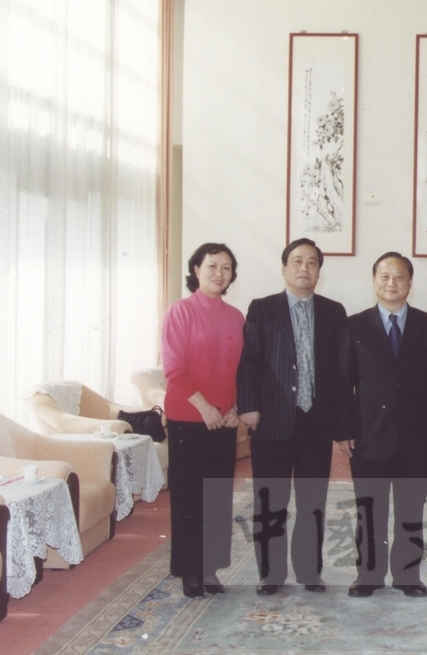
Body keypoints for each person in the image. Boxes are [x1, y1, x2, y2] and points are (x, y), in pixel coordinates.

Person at [236, 238, 353, 595]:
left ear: (319, 272)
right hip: (271, 419)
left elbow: (342, 373)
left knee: (312, 502)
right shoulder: (262, 308)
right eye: (298, 261)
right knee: (270, 501)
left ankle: (309, 572)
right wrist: (248, 406)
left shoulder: (334, 311)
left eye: (312, 263)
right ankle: (270, 574)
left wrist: (342, 425)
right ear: (285, 268)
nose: (305, 268)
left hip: (316, 422)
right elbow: (249, 361)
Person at [338, 252, 427, 598]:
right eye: (384, 276)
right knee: (369, 510)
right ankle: (368, 576)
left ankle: (407, 575)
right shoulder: (354, 325)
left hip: (417, 435)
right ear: (374, 281)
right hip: (368, 434)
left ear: (410, 282)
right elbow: (343, 382)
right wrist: (343, 430)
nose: (392, 283)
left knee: (411, 509)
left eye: (399, 277)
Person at [161, 243, 244, 598]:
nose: (218, 273)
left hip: (224, 420)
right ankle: (190, 571)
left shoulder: (236, 316)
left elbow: (242, 369)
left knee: (217, 496)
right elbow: (174, 369)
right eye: (211, 266)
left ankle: (210, 568)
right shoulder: (180, 311)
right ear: (196, 270)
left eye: (226, 268)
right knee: (189, 497)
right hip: (188, 418)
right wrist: (205, 408)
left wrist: (236, 407)